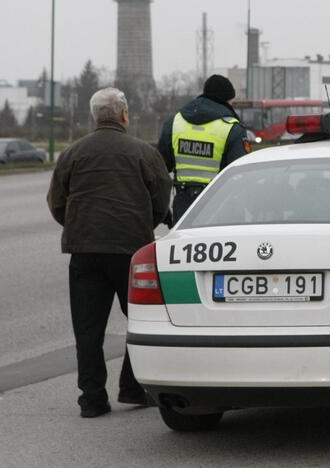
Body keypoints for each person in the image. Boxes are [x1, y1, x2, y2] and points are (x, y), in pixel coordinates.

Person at [47, 87, 172, 418]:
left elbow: (57, 202)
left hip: (84, 252)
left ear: (93, 117)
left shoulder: (73, 153)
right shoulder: (143, 153)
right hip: (131, 252)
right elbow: (161, 199)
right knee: (143, 319)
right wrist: (147, 224)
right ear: (125, 115)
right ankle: (131, 386)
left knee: (87, 330)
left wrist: (77, 226)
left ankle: (92, 399)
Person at [157, 74, 250, 223]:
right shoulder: (232, 128)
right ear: (227, 100)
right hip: (221, 210)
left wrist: (161, 211)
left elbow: (159, 168)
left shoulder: (175, 123)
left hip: (183, 208)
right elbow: (242, 176)